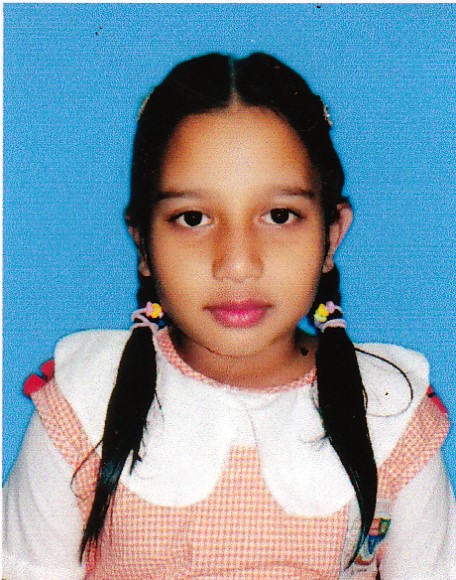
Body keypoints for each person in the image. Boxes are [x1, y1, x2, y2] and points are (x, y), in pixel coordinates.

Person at [3, 53, 454, 579]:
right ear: (143, 243)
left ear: (331, 235)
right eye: (193, 218)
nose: (237, 264)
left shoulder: (391, 411)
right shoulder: (83, 402)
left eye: (279, 216)